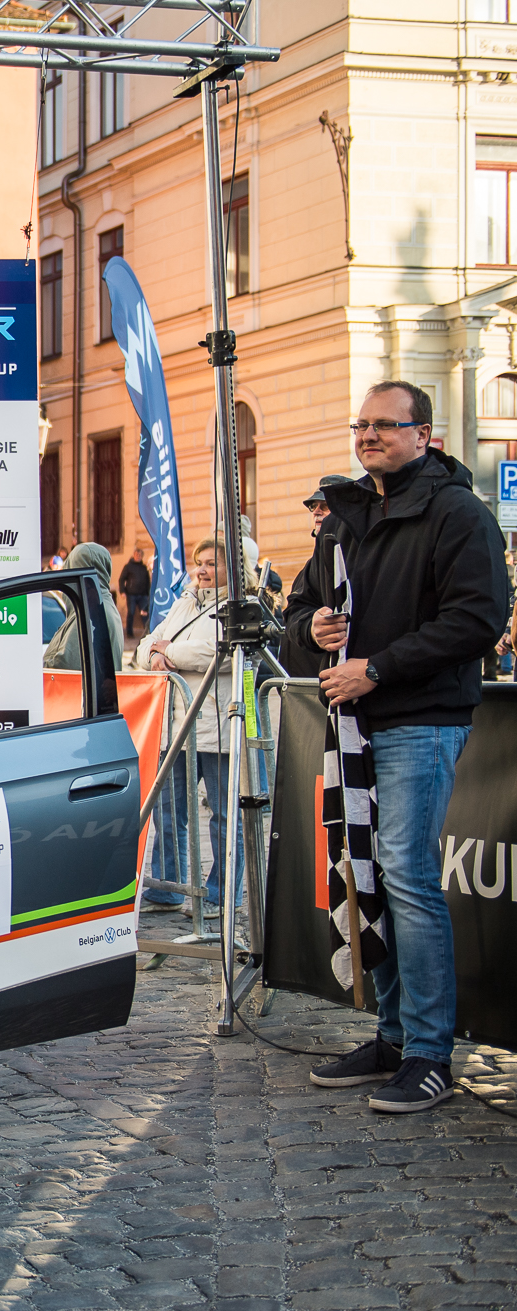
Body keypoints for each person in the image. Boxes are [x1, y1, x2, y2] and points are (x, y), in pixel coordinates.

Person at [288, 380, 509, 1114]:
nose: (369, 435)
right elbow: (296, 609)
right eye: (362, 424)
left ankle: (428, 1053)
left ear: (424, 435)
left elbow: (478, 619)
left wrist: (377, 668)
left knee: (407, 876)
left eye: (386, 424)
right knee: (367, 875)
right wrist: (312, 628)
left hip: (421, 716)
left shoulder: (459, 513)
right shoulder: (344, 515)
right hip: (350, 724)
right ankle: (391, 1035)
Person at [136, 538, 246, 914]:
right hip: (177, 725)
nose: (202, 570)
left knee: (224, 816)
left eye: (212, 563)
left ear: (233, 568)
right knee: (168, 811)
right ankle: (167, 889)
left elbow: (221, 652)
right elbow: (146, 644)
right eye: (199, 562)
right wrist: (154, 653)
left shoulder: (240, 605)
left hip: (217, 725)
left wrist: (168, 651)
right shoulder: (185, 602)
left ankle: (220, 895)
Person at [279, 474, 353, 678]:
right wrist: (309, 627)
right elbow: (297, 610)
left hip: (333, 680)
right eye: (313, 506)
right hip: (301, 681)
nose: (317, 512)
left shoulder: (351, 560)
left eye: (325, 505)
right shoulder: (312, 564)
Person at [43, 542, 123, 674]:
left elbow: (63, 667)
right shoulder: (100, 605)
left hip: (77, 688)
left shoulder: (91, 613)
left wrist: (34, 665)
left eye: (69, 572)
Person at [118, 548, 151, 639]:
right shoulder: (128, 566)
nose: (138, 556)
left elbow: (147, 581)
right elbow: (121, 579)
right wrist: (122, 591)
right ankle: (129, 633)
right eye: (137, 555)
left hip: (143, 595)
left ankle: (147, 632)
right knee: (131, 613)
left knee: (145, 614)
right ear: (134, 555)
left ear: (142, 556)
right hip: (131, 594)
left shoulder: (144, 568)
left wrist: (148, 593)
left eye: (140, 555)